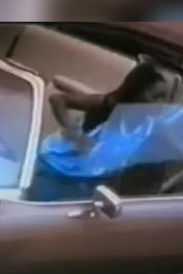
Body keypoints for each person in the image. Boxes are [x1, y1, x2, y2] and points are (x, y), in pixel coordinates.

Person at [28, 54, 170, 201]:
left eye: (166, 97)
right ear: (136, 94)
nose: (163, 103)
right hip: (54, 168)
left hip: (86, 179)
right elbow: (57, 99)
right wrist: (73, 133)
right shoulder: (107, 105)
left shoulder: (152, 128)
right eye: (156, 97)